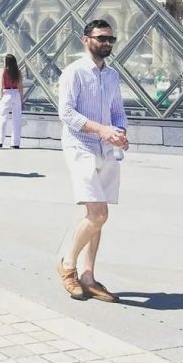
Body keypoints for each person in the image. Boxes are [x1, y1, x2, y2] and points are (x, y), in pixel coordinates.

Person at [57, 19, 128, 303]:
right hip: (81, 146)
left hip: (107, 149)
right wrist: (101, 130)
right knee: (99, 215)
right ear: (86, 40)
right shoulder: (72, 73)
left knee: (95, 218)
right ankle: (68, 265)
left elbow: (117, 111)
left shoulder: (112, 76)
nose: (107, 44)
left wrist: (121, 134)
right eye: (101, 38)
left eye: (111, 39)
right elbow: (67, 114)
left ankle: (88, 275)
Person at [0, 53, 24, 148]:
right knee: (17, 120)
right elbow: (20, 86)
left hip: (6, 93)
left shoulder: (4, 71)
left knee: (2, 118)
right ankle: (15, 143)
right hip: (16, 94)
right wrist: (21, 98)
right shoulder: (18, 72)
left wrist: (0, 97)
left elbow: (1, 86)